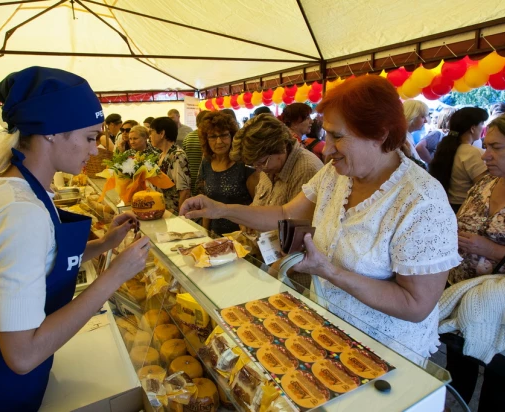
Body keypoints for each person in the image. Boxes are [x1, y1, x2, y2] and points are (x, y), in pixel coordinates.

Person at [180, 75, 460, 359]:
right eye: (327, 134)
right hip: (328, 332)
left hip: (387, 356)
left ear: (380, 135)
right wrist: (221, 209)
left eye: (337, 136)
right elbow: (285, 213)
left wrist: (328, 271)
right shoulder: (335, 175)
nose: (326, 149)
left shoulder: (422, 201)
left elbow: (415, 304)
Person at [0, 67, 151, 411]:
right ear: (52, 132)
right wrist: (114, 275)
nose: (96, 149)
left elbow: (42, 259)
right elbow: (23, 354)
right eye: (89, 137)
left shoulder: (20, 190)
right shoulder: (21, 212)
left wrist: (103, 245)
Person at [444, 111, 505, 411]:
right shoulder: (485, 184)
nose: (486, 155)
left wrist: (490, 249)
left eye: (497, 147)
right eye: (486, 146)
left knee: (503, 384)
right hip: (463, 300)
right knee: (459, 372)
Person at [197, 112, 255, 235]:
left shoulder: (244, 164)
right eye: (212, 137)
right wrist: (205, 232)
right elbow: (207, 201)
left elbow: (259, 202)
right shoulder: (206, 163)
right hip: (216, 234)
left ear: (232, 136)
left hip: (243, 236)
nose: (219, 142)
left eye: (224, 135)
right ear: (206, 140)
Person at [429, 107, 489, 213]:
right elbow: (482, 187)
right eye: (482, 124)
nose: (483, 127)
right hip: (464, 207)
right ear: (472, 128)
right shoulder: (472, 152)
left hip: (445, 204)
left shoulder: (445, 147)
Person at [150, 117, 191, 213]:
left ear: (162, 134)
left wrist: (181, 218)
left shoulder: (177, 155)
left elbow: (184, 191)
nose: (150, 136)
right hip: (164, 210)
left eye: (151, 132)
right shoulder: (161, 155)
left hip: (175, 213)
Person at [182, 111, 208, 196]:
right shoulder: (207, 137)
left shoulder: (188, 137)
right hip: (204, 176)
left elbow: (184, 157)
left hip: (189, 175)